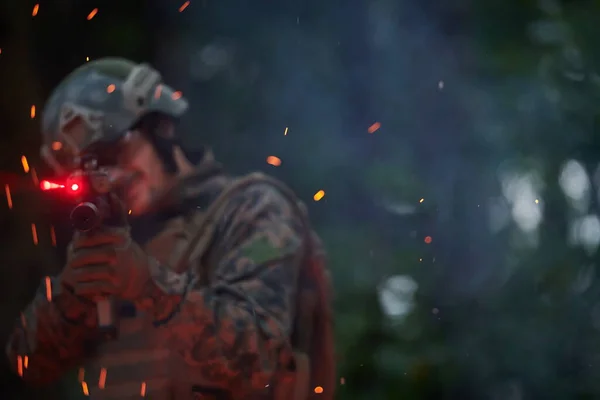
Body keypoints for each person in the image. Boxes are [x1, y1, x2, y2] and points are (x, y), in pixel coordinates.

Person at [5, 58, 335, 399]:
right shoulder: (111, 237)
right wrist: (71, 295)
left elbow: (259, 361)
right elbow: (28, 365)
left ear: (159, 128)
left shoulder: (250, 209)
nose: (111, 175)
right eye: (89, 168)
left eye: (115, 152)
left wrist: (147, 285)